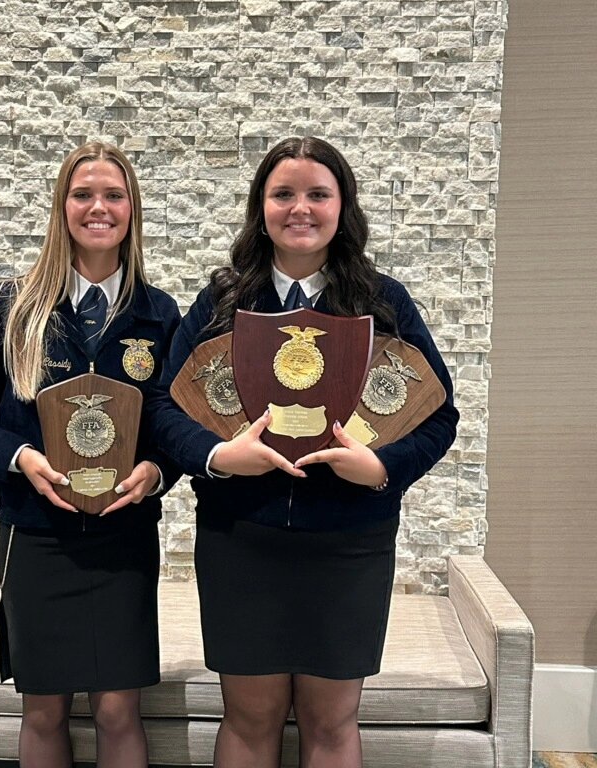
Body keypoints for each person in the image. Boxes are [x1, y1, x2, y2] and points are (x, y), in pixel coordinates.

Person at [147, 136, 459, 768]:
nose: (301, 208)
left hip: (350, 543)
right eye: (283, 193)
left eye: (318, 194)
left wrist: (382, 470)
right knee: (249, 718)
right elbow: (161, 406)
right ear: (260, 206)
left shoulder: (383, 302)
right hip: (242, 539)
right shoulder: (223, 302)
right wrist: (215, 456)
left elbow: (438, 415)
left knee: (332, 722)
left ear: (342, 206)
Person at [0, 142, 181, 768]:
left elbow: (178, 426)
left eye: (113, 195)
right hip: (36, 539)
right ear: (62, 208)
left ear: (132, 209)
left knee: (119, 709)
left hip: (123, 539)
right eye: (83, 194)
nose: (99, 207)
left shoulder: (159, 314)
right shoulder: (14, 309)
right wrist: (18, 458)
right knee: (43, 709)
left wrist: (159, 472)